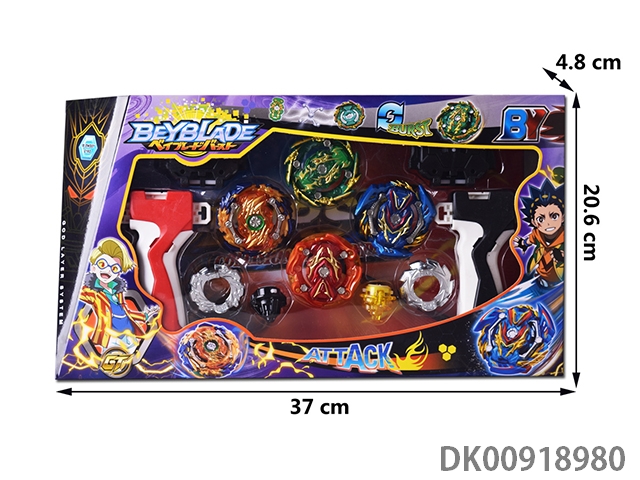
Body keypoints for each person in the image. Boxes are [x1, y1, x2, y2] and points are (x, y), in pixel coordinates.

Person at [78, 238, 158, 353]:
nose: (108, 270)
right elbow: (78, 295)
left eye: (114, 268)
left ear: (118, 273)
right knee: (113, 360)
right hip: (111, 337)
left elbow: (125, 312)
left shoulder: (117, 291)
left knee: (132, 360)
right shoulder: (92, 292)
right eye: (102, 264)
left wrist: (144, 316)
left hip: (129, 334)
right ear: (94, 267)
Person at [514, 179, 564, 287]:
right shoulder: (537, 234)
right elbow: (528, 241)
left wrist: (561, 257)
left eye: (554, 216)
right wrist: (522, 244)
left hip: (560, 283)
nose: (548, 223)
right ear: (534, 222)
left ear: (563, 217)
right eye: (541, 219)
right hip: (539, 278)